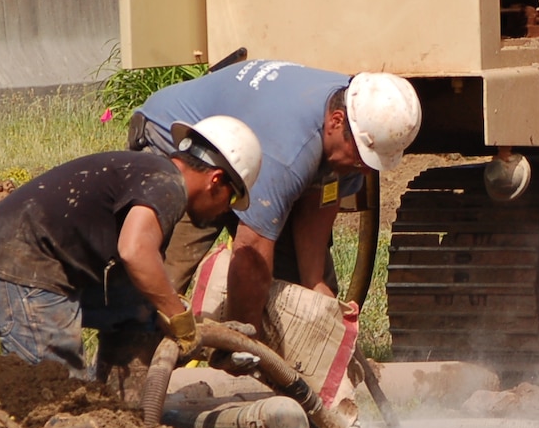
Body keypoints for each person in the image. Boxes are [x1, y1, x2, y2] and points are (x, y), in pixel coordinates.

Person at [131, 59, 421, 326]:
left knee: (297, 299)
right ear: (336, 122)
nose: (365, 170)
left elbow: (320, 203)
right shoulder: (289, 150)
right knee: (162, 284)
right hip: (181, 148)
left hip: (246, 155)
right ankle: (134, 367)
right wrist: (244, 340)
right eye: (361, 157)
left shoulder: (352, 124)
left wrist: (315, 286)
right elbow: (251, 250)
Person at [0, 116, 263, 379]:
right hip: (23, 265)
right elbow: (135, 252)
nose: (227, 209)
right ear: (216, 180)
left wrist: (210, 345)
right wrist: (183, 324)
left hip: (36, 258)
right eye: (233, 200)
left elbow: (147, 289)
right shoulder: (168, 184)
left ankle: (123, 410)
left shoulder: (151, 175)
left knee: (143, 310)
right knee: (61, 396)